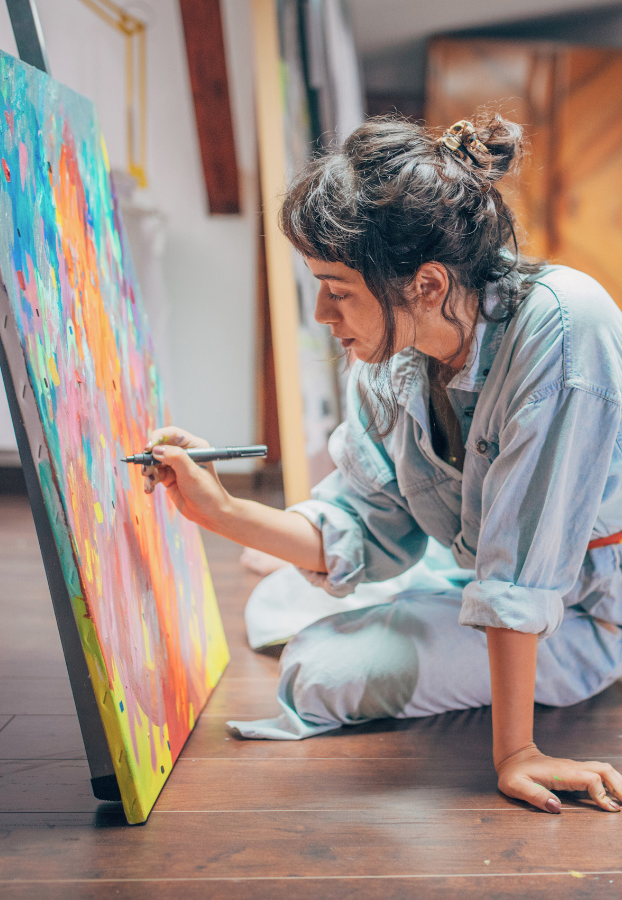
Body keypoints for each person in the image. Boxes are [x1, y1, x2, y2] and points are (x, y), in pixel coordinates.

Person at [143, 114, 622, 815]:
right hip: (475, 568)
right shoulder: (389, 357)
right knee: (276, 603)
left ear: (426, 285)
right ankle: (416, 602)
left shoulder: (566, 327)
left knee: (318, 672)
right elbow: (368, 527)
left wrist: (516, 752)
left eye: (336, 288)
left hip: (583, 610)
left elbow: (521, 571)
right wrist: (220, 510)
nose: (319, 311)